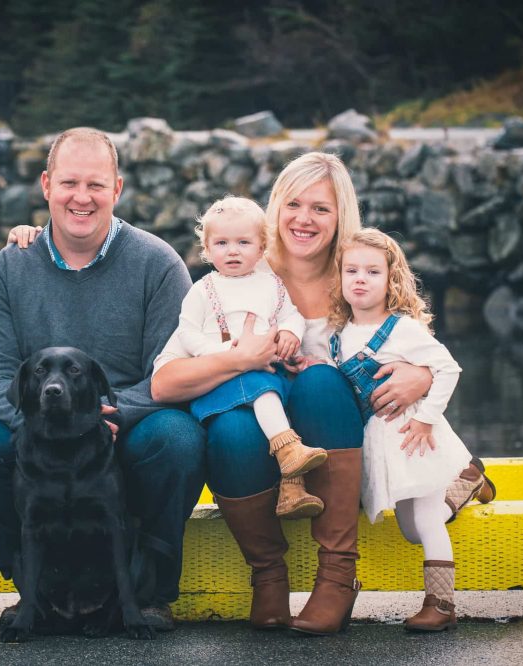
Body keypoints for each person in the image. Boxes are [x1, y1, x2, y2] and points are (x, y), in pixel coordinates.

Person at [0, 127, 206, 633]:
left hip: (125, 428)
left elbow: (173, 368)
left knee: (180, 438)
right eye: (70, 183)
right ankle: (38, 587)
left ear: (117, 190)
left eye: (96, 185)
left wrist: (105, 414)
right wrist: (35, 424)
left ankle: (151, 592)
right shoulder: (10, 267)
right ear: (46, 185)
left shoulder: (158, 264)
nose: (82, 197)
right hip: (38, 433)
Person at [151, 151, 436, 635]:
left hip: (335, 424)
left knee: (321, 380)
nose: (304, 219)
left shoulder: (358, 276)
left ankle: (337, 575)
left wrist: (423, 375)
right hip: (261, 429)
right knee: (233, 428)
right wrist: (238, 358)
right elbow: (163, 381)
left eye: (321, 209)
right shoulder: (239, 275)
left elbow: (415, 338)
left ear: (341, 215)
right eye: (293, 205)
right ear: (275, 209)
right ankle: (267, 573)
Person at [330, 227, 495, 631]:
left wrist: (425, 418)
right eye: (351, 270)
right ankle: (469, 482)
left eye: (372, 271)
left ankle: (441, 605)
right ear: (339, 278)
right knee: (409, 530)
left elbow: (448, 369)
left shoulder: (402, 328)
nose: (360, 279)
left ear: (391, 280)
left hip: (416, 437)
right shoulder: (338, 334)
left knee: (426, 521)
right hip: (381, 443)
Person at [173, 195, 327, 519]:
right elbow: (187, 334)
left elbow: (292, 315)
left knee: (280, 394)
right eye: (222, 243)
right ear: (207, 248)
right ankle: (287, 447)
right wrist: (227, 353)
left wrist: (290, 333)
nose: (232, 251)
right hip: (220, 385)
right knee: (263, 389)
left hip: (263, 376)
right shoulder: (203, 290)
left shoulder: (271, 284)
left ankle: (292, 491)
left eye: (243, 242)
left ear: (261, 248)